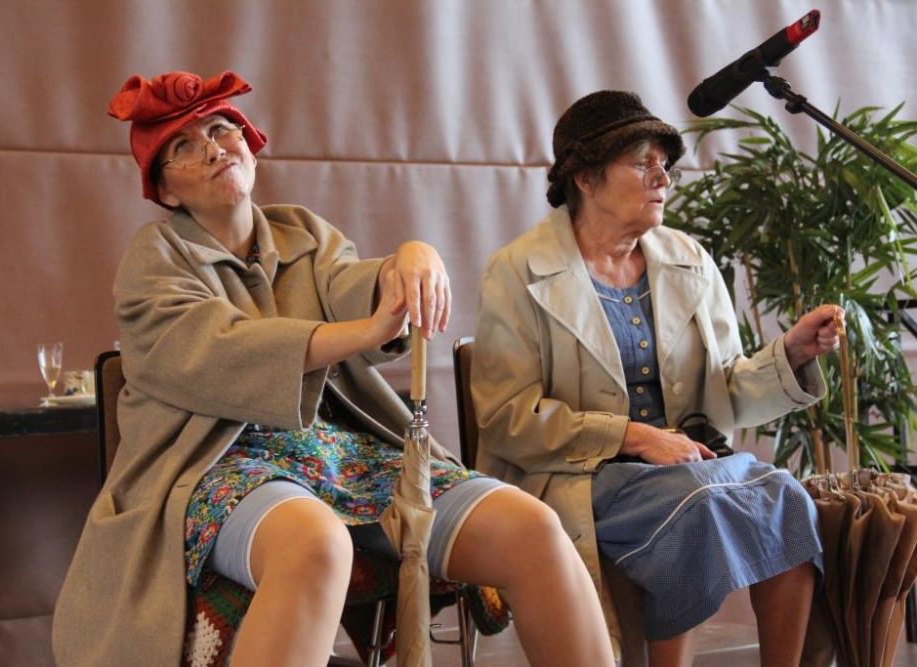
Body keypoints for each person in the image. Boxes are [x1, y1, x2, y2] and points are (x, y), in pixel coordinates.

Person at [51, 70, 615, 667]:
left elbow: (353, 284)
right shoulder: (154, 259)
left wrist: (409, 260)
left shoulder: (302, 233)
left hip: (343, 456)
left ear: (249, 145)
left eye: (221, 129)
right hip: (214, 464)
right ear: (165, 191)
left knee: (532, 528)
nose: (214, 148)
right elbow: (220, 349)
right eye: (185, 147)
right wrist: (365, 331)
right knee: (313, 542)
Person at [471, 90, 841, 667]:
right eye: (643, 163)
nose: (663, 178)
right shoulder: (518, 271)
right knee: (697, 504)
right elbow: (506, 419)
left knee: (789, 499)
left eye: (665, 164)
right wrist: (637, 437)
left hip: (688, 464)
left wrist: (789, 354)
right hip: (579, 474)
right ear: (586, 177)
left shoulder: (687, 259)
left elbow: (724, 388)